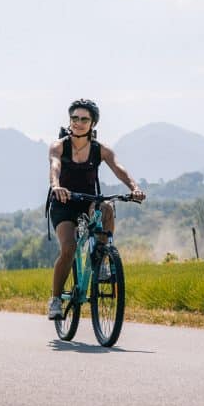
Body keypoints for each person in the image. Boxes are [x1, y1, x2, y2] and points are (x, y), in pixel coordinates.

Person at [47, 99, 146, 320]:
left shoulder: (100, 150)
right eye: (75, 118)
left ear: (93, 123)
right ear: (69, 121)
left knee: (107, 207)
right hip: (63, 202)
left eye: (84, 119)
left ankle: (101, 258)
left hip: (88, 199)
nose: (79, 123)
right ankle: (55, 300)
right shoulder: (59, 146)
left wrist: (134, 188)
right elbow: (55, 167)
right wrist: (56, 186)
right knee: (69, 248)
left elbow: (119, 169)